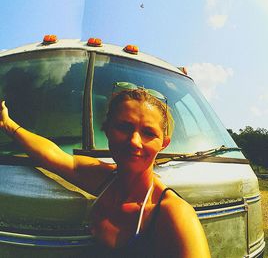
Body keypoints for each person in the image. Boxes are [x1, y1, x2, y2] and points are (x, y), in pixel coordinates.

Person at [0, 85, 211, 258]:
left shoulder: (173, 213)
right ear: (107, 129)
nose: (134, 142)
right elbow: (54, 155)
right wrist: (8, 125)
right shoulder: (104, 179)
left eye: (148, 133)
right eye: (124, 127)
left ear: (163, 143)